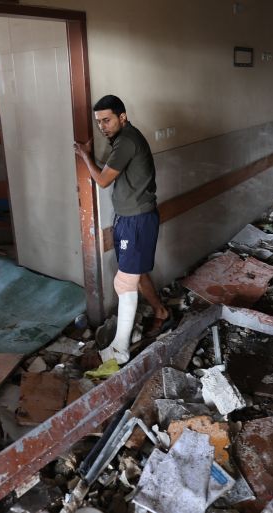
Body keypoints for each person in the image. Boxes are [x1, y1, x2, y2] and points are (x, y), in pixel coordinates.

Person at [73, 95, 174, 364]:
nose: (102, 126)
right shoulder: (122, 139)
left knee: (123, 281)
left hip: (137, 220)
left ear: (122, 116)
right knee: (136, 274)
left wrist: (84, 155)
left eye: (107, 120)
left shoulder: (127, 141)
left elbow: (103, 180)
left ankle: (120, 351)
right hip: (129, 219)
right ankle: (161, 312)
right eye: (99, 122)